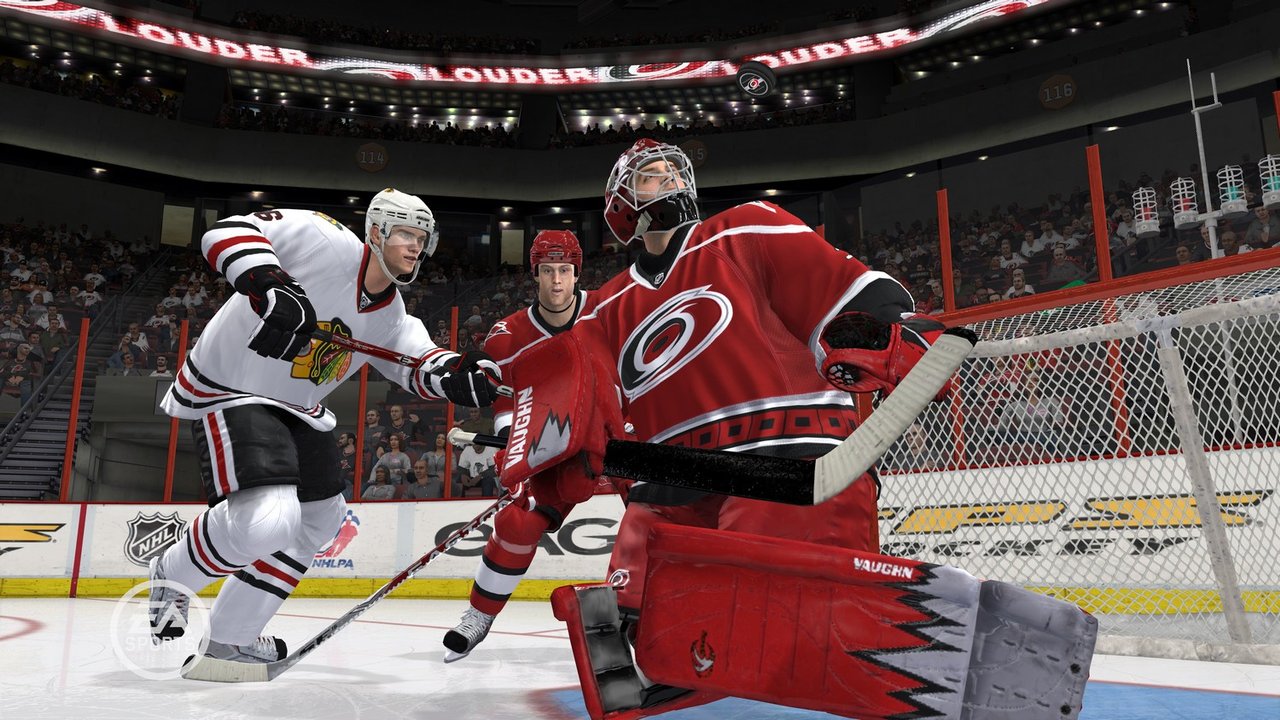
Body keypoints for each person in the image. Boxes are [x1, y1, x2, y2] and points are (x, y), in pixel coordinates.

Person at [552, 139, 963, 718]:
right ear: (620, 205)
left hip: (782, 456)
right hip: (671, 479)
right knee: (632, 626)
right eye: (649, 176)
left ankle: (901, 640)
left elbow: (840, 284)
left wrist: (891, 325)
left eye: (671, 171)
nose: (667, 179)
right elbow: (584, 409)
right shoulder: (601, 308)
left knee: (775, 617)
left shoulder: (742, 228)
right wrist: (555, 452)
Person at [148, 189, 502, 669]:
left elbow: (423, 364)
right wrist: (271, 283)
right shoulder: (323, 238)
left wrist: (463, 377)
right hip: (233, 387)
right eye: (405, 233)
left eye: (422, 238)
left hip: (298, 406)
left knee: (319, 519)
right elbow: (228, 230)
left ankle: (229, 640)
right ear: (375, 231)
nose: (415, 246)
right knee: (269, 522)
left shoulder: (392, 316)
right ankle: (172, 575)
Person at [444, 230, 625, 661]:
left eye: (564, 270)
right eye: (547, 271)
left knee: (656, 510)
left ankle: (657, 609)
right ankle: (479, 615)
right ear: (535, 274)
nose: (556, 281)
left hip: (621, 437)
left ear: (577, 273)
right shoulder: (507, 335)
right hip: (556, 445)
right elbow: (510, 405)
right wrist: (516, 448)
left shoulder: (610, 311)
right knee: (517, 521)